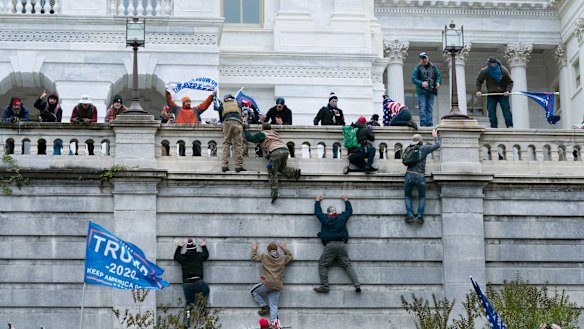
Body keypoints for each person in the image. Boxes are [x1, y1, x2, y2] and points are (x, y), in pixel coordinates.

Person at [313, 194, 361, 293]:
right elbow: (349, 211)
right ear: (335, 212)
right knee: (347, 265)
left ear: (328, 213)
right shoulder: (341, 218)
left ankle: (325, 286)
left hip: (330, 246)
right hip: (342, 245)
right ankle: (356, 284)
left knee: (322, 264)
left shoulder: (325, 218)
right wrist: (346, 200)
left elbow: (317, 212)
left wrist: (317, 201)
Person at [244, 122, 301, 203]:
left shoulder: (262, 134)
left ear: (262, 128)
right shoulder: (275, 133)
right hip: (285, 150)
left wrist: (246, 129)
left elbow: (250, 138)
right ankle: (295, 173)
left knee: (272, 172)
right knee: (281, 167)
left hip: (275, 152)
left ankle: (274, 193)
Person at [250, 241, 293, 325]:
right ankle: (274, 324)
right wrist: (284, 248)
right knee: (273, 306)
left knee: (253, 291)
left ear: (268, 249)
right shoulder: (283, 258)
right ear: (277, 249)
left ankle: (264, 306)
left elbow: (254, 257)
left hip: (268, 283)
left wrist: (254, 248)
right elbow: (290, 257)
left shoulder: (264, 255)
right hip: (278, 285)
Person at [404, 129, 441, 225]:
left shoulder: (408, 148)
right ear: (420, 141)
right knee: (422, 196)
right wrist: (435, 136)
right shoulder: (424, 148)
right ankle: (420, 216)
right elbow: (437, 145)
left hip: (409, 174)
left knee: (408, 195)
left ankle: (410, 215)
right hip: (420, 176)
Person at [174, 238, 210, 324]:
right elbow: (206, 255)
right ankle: (201, 307)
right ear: (195, 248)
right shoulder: (199, 255)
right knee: (206, 290)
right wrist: (204, 246)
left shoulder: (183, 257)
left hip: (187, 283)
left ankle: (186, 321)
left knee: (189, 303)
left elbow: (176, 257)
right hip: (198, 282)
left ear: (186, 249)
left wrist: (179, 247)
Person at [475, 56, 514, 128]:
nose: (489, 65)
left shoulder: (503, 70)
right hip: (491, 94)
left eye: (490, 64)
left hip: (503, 94)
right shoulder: (485, 71)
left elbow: (510, 82)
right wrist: (478, 90)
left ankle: (509, 125)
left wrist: (508, 90)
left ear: (495, 63)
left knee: (506, 109)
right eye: (488, 64)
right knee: (491, 110)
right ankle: (494, 127)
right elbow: (478, 80)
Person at [411, 52, 441, 127]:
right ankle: (423, 124)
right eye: (422, 58)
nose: (424, 59)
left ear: (428, 58)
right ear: (420, 59)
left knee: (430, 108)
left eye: (425, 58)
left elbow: (438, 76)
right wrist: (421, 83)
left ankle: (430, 124)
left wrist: (438, 82)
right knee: (422, 107)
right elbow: (413, 79)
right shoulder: (417, 67)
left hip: (431, 90)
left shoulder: (433, 67)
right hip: (422, 91)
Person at [217, 94, 245, 172]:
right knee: (238, 145)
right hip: (237, 123)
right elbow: (240, 115)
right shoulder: (238, 104)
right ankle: (238, 166)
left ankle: (224, 165)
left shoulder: (222, 105)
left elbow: (221, 119)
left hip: (227, 123)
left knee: (226, 143)